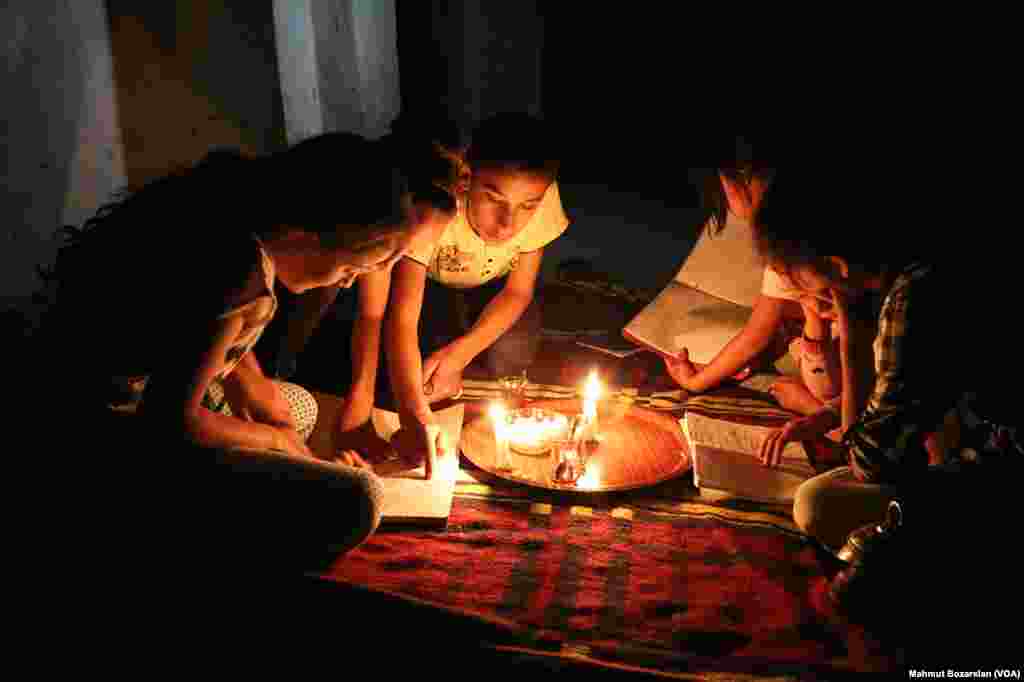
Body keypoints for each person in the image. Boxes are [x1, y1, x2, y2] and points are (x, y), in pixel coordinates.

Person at [42, 132, 436, 571]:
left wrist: (250, 383)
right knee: (359, 498)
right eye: (349, 268)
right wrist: (274, 441)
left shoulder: (232, 216)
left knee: (299, 408)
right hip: (105, 432)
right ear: (309, 232)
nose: (345, 283)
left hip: (133, 389)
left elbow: (195, 332)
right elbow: (170, 421)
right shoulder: (239, 275)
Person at [385, 112, 569, 465]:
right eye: (494, 199)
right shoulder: (436, 202)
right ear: (467, 180)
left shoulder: (542, 196)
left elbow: (517, 293)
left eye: (527, 206)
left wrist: (460, 354)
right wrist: (414, 412)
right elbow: (402, 316)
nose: (508, 224)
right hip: (431, 284)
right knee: (412, 368)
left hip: (495, 286)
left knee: (513, 351)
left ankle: (458, 346)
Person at [665, 137, 869, 453]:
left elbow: (861, 442)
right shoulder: (789, 255)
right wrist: (696, 382)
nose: (729, 193)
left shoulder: (868, 306)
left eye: (736, 181)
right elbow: (757, 332)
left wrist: (809, 407)